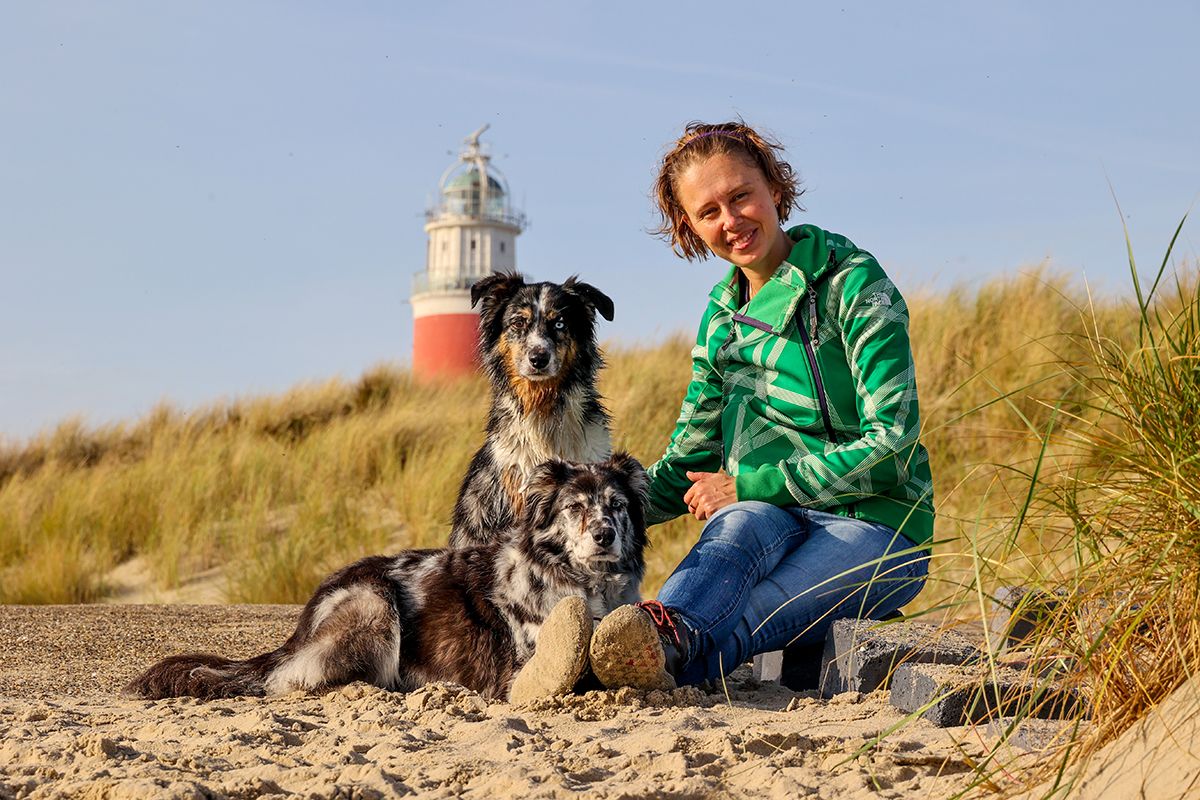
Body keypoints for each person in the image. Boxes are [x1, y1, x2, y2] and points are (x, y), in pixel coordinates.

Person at [512, 120, 935, 701]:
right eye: (708, 211)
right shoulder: (720, 317)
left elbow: (894, 445)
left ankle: (627, 663)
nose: (731, 221)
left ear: (775, 188)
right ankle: (641, 644)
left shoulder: (854, 285)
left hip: (877, 526)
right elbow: (688, 460)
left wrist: (748, 483)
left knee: (759, 602)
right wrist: (563, 508)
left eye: (741, 196)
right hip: (766, 517)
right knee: (732, 530)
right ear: (689, 226)